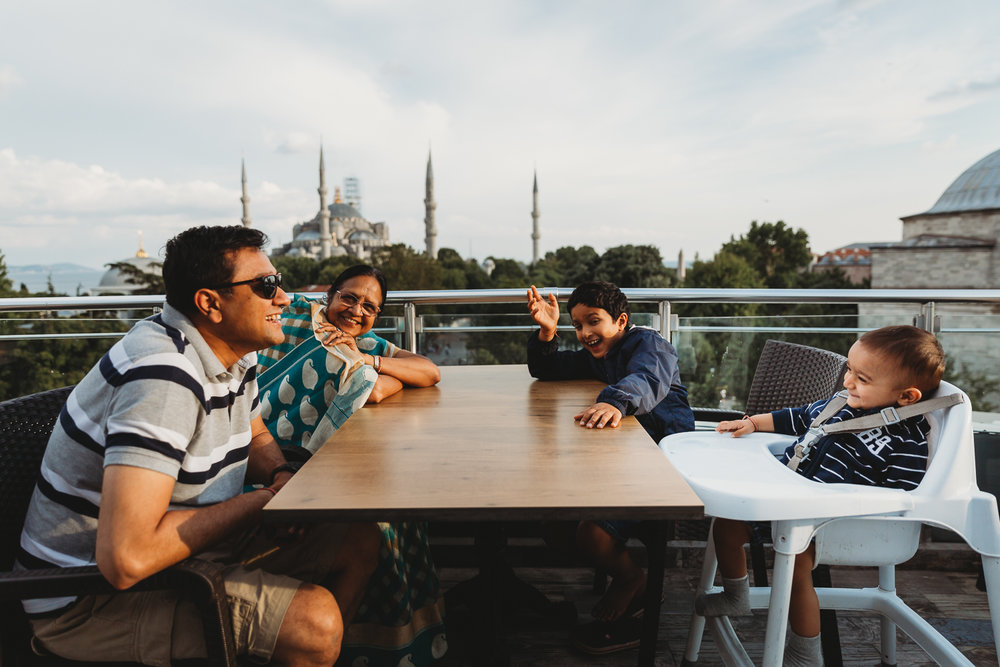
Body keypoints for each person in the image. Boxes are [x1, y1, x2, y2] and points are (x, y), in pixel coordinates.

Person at [16, 225, 381, 667]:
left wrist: (280, 475)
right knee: (315, 623)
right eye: (266, 287)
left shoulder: (230, 352)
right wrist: (265, 503)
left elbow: (254, 428)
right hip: (90, 601)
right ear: (210, 303)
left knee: (358, 541)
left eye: (278, 282)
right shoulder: (163, 379)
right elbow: (127, 559)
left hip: (182, 553)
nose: (284, 298)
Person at [699, 325, 945, 666]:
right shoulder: (842, 402)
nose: (847, 382)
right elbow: (799, 417)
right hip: (788, 499)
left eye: (862, 378)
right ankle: (735, 595)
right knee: (725, 525)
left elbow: (902, 496)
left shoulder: (908, 440)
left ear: (906, 397)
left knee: (796, 566)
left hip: (831, 521)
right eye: (849, 369)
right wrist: (754, 423)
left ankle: (805, 651)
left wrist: (851, 506)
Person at [256, 264, 446, 667]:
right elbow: (372, 390)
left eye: (370, 307)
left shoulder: (365, 346)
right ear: (329, 296)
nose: (357, 310)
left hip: (317, 458)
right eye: (349, 298)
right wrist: (367, 374)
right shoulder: (294, 318)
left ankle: (335, 644)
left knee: (392, 519)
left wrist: (369, 364)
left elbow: (427, 372)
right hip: (264, 454)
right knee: (376, 519)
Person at [525, 281, 695, 654]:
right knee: (555, 524)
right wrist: (547, 331)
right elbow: (547, 368)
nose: (585, 333)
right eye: (577, 325)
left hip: (664, 459)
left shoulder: (650, 346)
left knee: (591, 533)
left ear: (620, 320)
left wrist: (616, 403)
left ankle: (633, 579)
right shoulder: (599, 353)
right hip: (623, 454)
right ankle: (623, 568)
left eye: (593, 322)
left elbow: (647, 379)